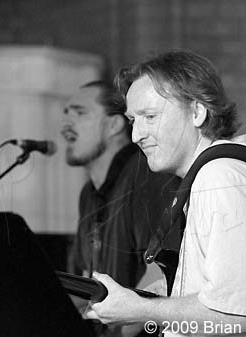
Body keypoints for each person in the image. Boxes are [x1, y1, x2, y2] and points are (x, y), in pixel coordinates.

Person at [84, 50, 246, 336]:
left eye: (150, 116)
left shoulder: (221, 179)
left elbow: (236, 315)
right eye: (133, 121)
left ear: (197, 112)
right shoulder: (222, 175)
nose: (136, 136)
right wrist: (167, 292)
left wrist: (140, 309)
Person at [62, 81, 180, 336]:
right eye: (67, 114)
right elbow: (88, 282)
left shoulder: (147, 175)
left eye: (80, 113)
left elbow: (164, 272)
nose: (66, 126)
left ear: (114, 125)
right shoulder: (88, 193)